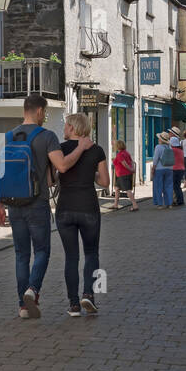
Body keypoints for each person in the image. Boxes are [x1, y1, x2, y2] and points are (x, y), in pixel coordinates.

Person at [0, 93, 92, 318]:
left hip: (13, 205)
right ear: (39, 111)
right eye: (45, 112)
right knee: (42, 251)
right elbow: (63, 165)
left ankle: (23, 306)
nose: (45, 116)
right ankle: (33, 289)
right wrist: (81, 147)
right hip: (37, 203)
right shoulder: (46, 136)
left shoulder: (8, 136)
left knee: (20, 254)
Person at [55, 113, 109, 316]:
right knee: (91, 253)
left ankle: (73, 304)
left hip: (65, 208)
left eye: (66, 125)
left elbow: (53, 178)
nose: (64, 128)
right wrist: (91, 173)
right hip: (88, 208)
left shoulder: (59, 149)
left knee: (71, 257)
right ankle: (89, 294)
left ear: (72, 127)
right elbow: (105, 182)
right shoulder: (97, 151)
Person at [111, 139, 139, 211]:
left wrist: (130, 169)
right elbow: (131, 162)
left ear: (118, 146)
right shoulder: (126, 153)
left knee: (128, 190)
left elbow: (124, 164)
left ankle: (135, 205)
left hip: (123, 174)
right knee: (117, 189)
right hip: (122, 174)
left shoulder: (120, 154)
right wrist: (132, 169)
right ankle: (115, 205)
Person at [151, 131, 174, 207]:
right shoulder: (170, 146)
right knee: (168, 186)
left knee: (158, 186)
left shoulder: (158, 147)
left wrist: (153, 168)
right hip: (170, 168)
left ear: (161, 140)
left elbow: (155, 159)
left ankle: (160, 203)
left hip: (159, 169)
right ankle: (169, 203)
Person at [168, 127, 186, 207]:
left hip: (174, 169)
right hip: (181, 169)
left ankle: (176, 200)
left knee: (173, 186)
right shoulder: (180, 150)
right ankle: (180, 200)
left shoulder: (172, 150)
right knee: (177, 186)